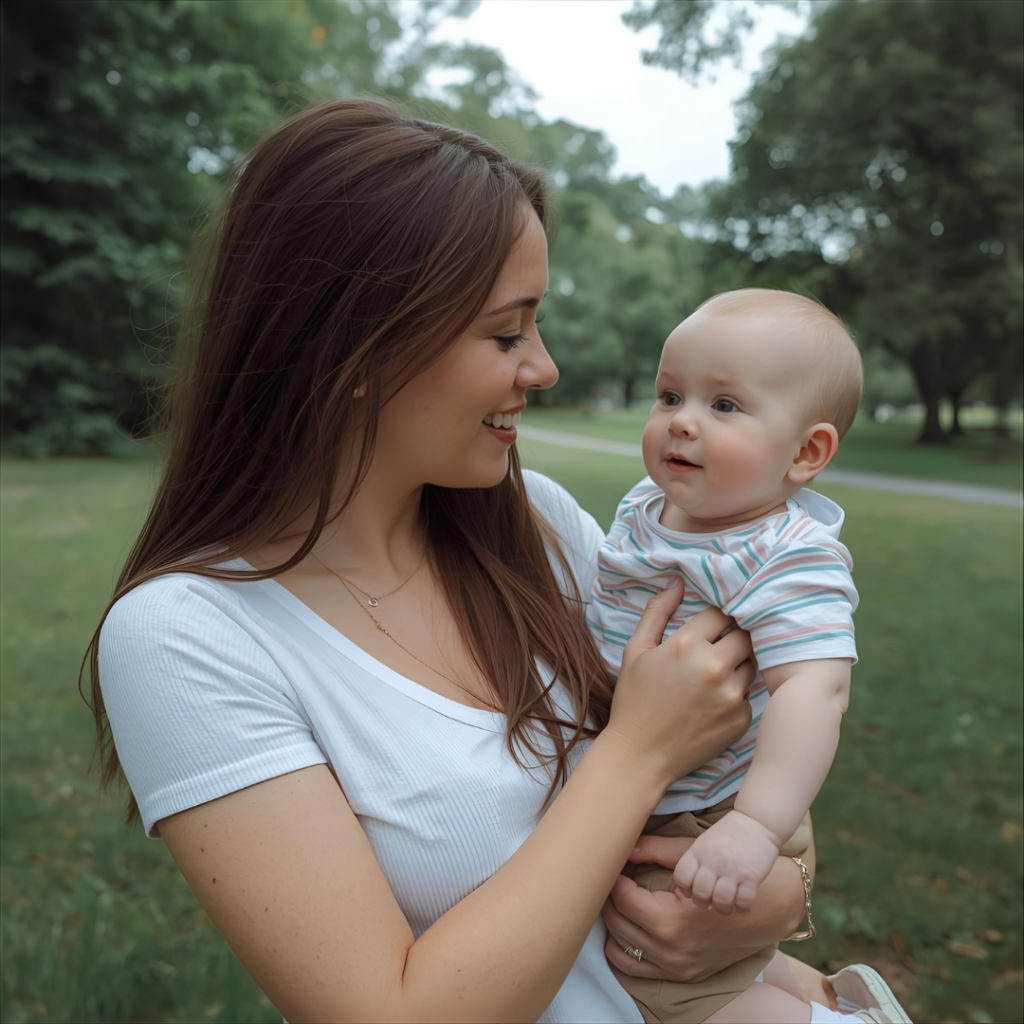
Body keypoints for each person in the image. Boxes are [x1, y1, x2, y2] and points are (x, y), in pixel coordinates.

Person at [87, 98, 827, 1023]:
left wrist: (779, 889)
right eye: (507, 332)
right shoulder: (186, 637)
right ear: (360, 344)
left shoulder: (539, 524)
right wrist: (636, 751)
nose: (545, 367)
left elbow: (749, 746)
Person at [589, 292, 912, 1023]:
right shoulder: (647, 505)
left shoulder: (786, 555)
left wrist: (757, 829)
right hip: (651, 785)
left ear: (806, 452)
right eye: (671, 394)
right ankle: (820, 995)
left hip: (711, 811)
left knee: (676, 998)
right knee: (727, 966)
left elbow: (815, 691)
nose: (682, 418)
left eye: (725, 405)